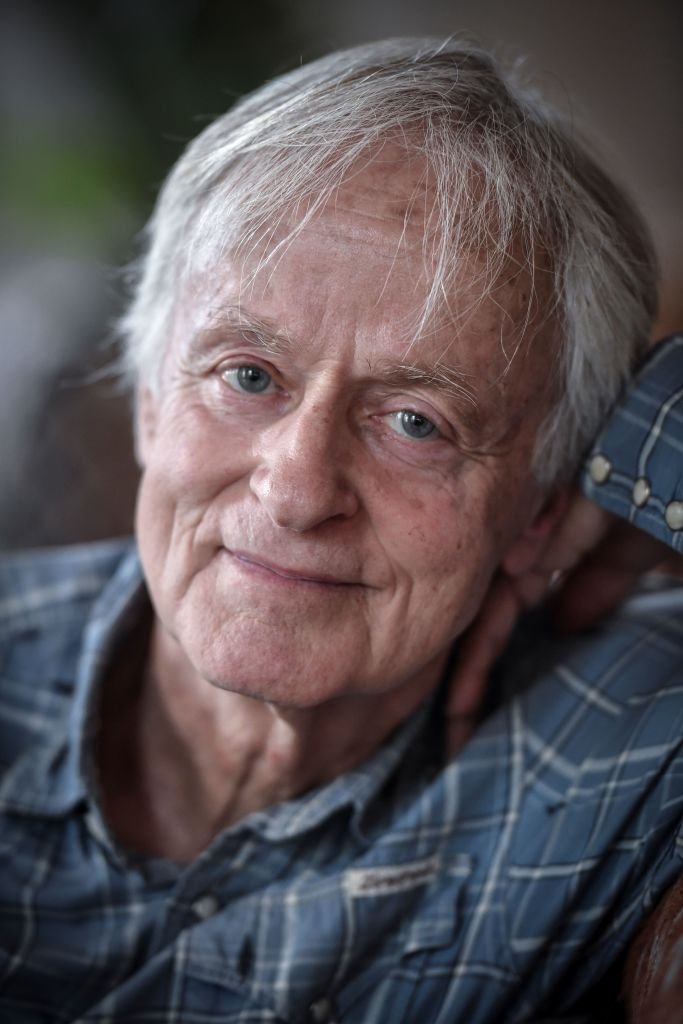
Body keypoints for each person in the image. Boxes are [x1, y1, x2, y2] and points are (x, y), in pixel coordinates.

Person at [0, 37, 681, 1024]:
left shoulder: (626, 736)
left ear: (540, 506)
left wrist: (643, 432)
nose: (296, 488)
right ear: (150, 400)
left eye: (416, 421)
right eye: (246, 375)